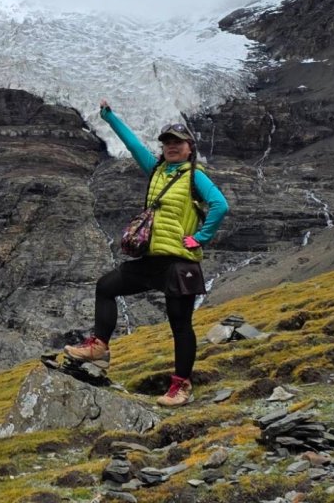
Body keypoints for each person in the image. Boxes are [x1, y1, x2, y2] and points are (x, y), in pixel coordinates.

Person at [64, 99, 229, 407]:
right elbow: (133, 145)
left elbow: (220, 204)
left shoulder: (195, 176)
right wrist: (110, 118)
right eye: (167, 142)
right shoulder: (157, 171)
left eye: (177, 142)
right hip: (153, 260)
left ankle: (180, 386)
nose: (171, 146)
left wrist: (200, 238)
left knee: (180, 325)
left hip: (180, 263)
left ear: (189, 147)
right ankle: (99, 347)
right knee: (106, 286)